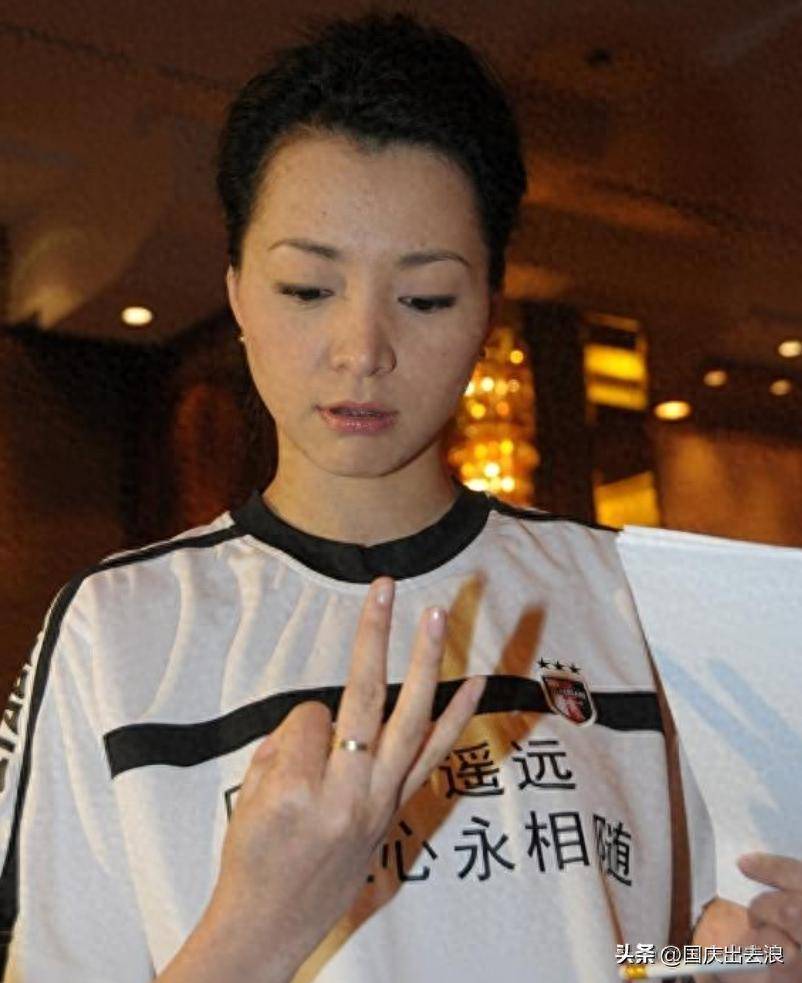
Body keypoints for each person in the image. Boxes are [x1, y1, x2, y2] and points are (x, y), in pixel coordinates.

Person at [0, 11, 800, 983]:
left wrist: (748, 960)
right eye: (307, 289)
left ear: (487, 310)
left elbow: (656, 947)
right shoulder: (120, 629)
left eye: (424, 298)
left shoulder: (633, 604)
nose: (362, 350)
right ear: (238, 293)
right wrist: (254, 929)